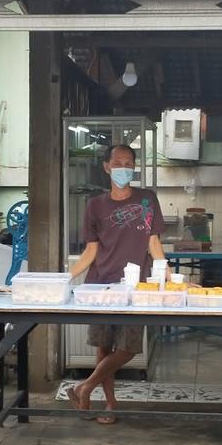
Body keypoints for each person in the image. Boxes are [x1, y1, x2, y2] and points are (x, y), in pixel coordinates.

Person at [68, 144, 168, 423]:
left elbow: (154, 244)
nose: (123, 168)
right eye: (118, 163)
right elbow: (91, 250)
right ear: (107, 167)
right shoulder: (95, 205)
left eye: (128, 163)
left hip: (136, 287)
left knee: (129, 347)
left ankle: (83, 386)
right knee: (104, 346)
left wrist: (170, 277)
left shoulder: (147, 200)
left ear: (134, 168)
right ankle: (110, 404)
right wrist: (66, 277)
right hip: (100, 286)